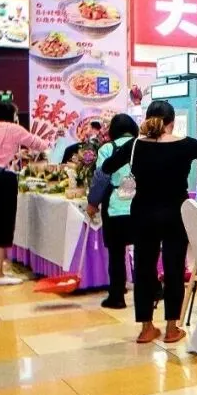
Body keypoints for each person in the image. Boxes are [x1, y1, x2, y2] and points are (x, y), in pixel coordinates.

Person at [100, 100, 197, 344]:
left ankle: (146, 328)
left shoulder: (135, 145)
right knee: (174, 268)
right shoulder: (185, 144)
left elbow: (107, 166)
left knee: (144, 269)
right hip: (176, 213)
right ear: (172, 123)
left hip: (142, 213)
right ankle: (172, 328)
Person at [86, 113, 138, 309]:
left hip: (116, 208)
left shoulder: (107, 149)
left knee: (116, 254)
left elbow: (101, 178)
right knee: (145, 251)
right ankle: (153, 290)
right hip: (141, 207)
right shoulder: (142, 145)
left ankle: (117, 296)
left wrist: (93, 202)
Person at [0, 99, 49, 284]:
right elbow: (39, 144)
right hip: (3, 179)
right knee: (2, 225)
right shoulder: (13, 128)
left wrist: (15, 153)